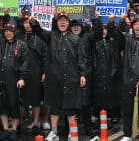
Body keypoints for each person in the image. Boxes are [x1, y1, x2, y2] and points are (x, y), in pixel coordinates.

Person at [29, 12, 87, 141]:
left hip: (72, 78)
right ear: (56, 22)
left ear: (69, 23)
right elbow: (39, 31)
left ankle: (73, 133)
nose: (62, 23)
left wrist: (83, 74)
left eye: (65, 20)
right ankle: (53, 132)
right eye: (60, 20)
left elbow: (82, 58)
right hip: (55, 77)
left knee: (71, 108)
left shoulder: (76, 38)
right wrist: (34, 23)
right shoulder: (51, 36)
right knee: (54, 107)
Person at [17, 12, 47, 136]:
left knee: (35, 101)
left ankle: (35, 124)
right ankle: (25, 119)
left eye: (30, 22)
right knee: (22, 101)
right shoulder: (18, 36)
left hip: (36, 72)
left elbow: (45, 56)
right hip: (21, 72)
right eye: (25, 22)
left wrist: (45, 72)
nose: (28, 25)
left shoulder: (40, 37)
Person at [0, 18, 28, 140]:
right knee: (2, 106)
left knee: (14, 105)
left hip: (15, 80)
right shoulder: (1, 43)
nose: (8, 33)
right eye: (6, 30)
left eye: (10, 30)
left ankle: (14, 129)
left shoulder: (21, 45)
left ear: (15, 32)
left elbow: (25, 63)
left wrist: (22, 78)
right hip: (1, 79)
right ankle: (6, 128)